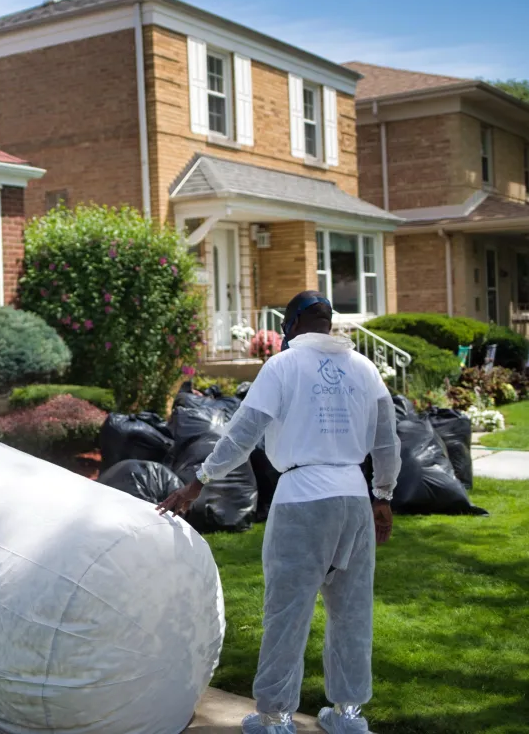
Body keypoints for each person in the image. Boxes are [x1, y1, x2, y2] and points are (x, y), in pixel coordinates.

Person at [157, 291, 401, 734]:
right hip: (354, 499)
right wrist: (382, 495)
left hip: (302, 499)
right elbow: (387, 439)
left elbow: (242, 434)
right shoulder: (364, 369)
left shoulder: (283, 366)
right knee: (353, 614)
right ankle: (348, 715)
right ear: (329, 322)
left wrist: (198, 482)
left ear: (291, 324)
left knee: (287, 612)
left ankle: (274, 718)